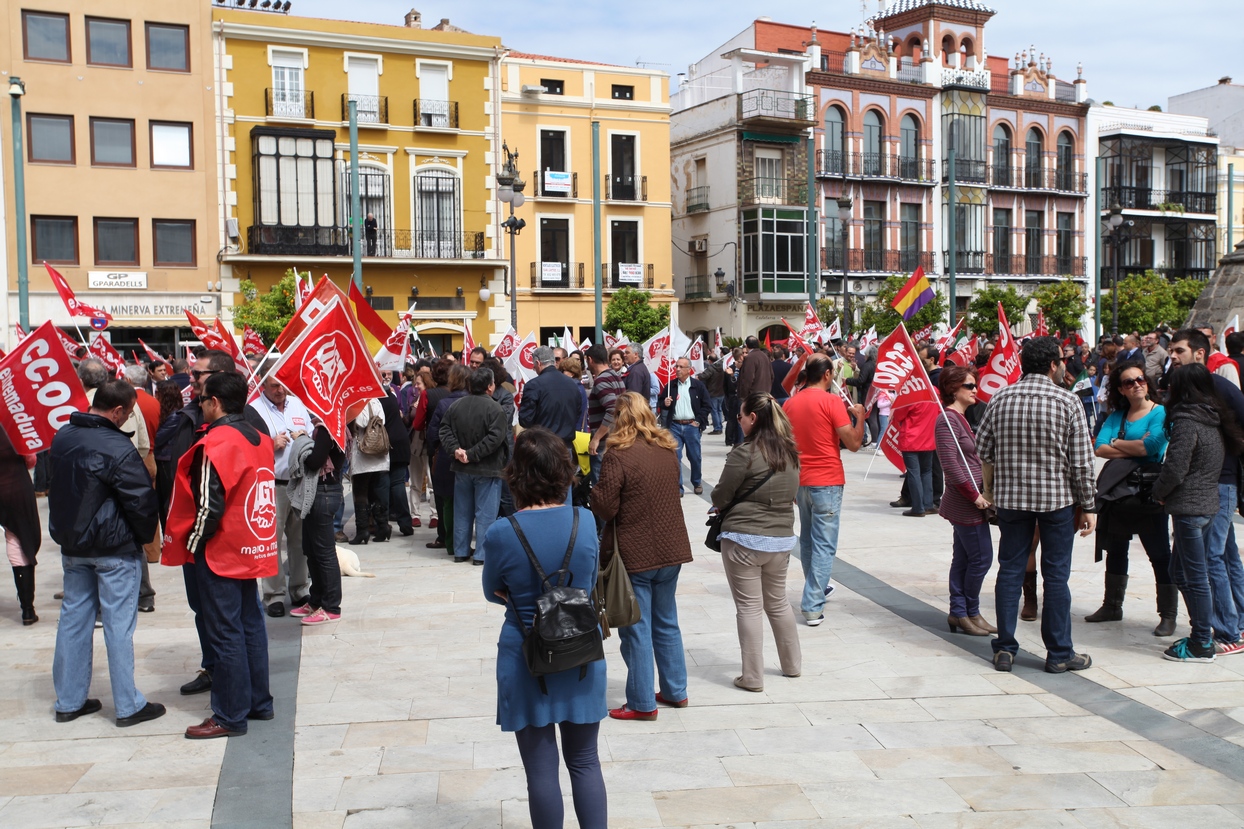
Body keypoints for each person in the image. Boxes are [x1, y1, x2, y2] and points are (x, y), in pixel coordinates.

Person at [482, 428, 607, 829]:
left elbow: (492, 591)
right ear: (562, 472)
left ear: (516, 475)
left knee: (540, 770)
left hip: (527, 654)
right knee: (585, 761)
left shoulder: (503, 531)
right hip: (581, 649)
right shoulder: (584, 520)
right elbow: (585, 581)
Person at [163, 372, 278, 736]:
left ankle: (229, 715)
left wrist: (194, 544)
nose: (198, 404)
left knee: (226, 633)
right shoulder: (259, 438)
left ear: (215, 402)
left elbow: (209, 506)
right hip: (251, 546)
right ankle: (259, 702)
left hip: (222, 551)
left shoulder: (217, 442)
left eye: (202, 398)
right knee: (251, 626)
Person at [975, 337, 1096, 674]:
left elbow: (983, 449)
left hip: (1012, 500)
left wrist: (994, 487)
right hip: (1056, 501)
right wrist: (1089, 504)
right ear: (1053, 364)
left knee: (1010, 570)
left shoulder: (1001, 398)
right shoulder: (1067, 401)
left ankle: (1005, 648)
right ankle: (1059, 652)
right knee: (1056, 576)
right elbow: (1082, 462)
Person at [49, 379, 165, 727]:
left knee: (73, 619)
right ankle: (127, 705)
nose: (129, 418)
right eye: (129, 413)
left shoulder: (63, 436)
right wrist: (147, 540)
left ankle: (69, 700)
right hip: (113, 547)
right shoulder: (117, 446)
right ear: (117, 411)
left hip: (75, 545)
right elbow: (141, 500)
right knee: (118, 626)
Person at [591, 393, 691, 719]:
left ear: (620, 418)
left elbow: (606, 507)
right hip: (671, 548)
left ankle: (642, 703)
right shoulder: (667, 449)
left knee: (637, 628)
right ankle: (676, 690)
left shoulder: (617, 455)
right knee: (667, 623)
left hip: (636, 554)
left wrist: (592, 491)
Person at [1153, 363, 1244, 662]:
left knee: (1196, 575)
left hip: (1191, 508)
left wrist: (1159, 493)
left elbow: (1176, 468)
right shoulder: (1213, 417)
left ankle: (1202, 640)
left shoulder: (1188, 420)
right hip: (1205, 505)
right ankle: (1203, 632)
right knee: (1179, 571)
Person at [711, 392, 802, 691]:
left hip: (744, 539)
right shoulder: (790, 452)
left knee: (749, 608)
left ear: (752, 418)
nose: (738, 421)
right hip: (780, 540)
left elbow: (721, 495)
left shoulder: (745, 453)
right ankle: (792, 665)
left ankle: (752, 677)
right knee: (778, 603)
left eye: (740, 416)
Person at [1089, 360, 1174, 634]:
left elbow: (1151, 447)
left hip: (1148, 493)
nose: (1136, 384)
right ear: (1121, 390)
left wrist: (1116, 443)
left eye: (1140, 379)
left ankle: (1168, 614)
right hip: (1118, 495)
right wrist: (1130, 447)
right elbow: (1099, 448)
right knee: (1116, 550)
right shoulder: (1117, 416)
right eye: (1129, 382)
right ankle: (1112, 606)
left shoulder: (1160, 413)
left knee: (1160, 554)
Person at [783, 354, 866, 625]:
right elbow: (853, 443)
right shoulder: (831, 401)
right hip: (827, 479)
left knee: (807, 540)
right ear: (828, 375)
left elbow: (784, 446)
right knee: (823, 545)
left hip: (801, 480)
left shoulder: (791, 403)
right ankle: (812, 604)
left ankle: (815, 590)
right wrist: (860, 417)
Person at [934, 365, 995, 636]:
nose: (975, 390)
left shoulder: (960, 418)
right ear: (952, 389)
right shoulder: (946, 419)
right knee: (981, 559)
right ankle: (969, 610)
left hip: (972, 497)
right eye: (969, 386)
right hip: (966, 501)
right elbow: (951, 465)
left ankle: (960, 612)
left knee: (963, 559)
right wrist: (975, 496)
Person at [253, 371, 311, 616]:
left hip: (299, 482)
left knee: (299, 541)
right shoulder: (254, 410)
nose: (280, 390)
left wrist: (305, 438)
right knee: (272, 542)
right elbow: (247, 446)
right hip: (271, 485)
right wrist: (269, 444)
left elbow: (310, 432)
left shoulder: (297, 404)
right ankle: (274, 594)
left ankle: (300, 588)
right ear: (264, 385)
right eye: (275, 386)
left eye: (283, 385)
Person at [439, 367, 510, 565]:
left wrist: (458, 451)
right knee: (485, 514)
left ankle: (461, 551)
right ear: (489, 386)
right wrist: (469, 454)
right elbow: (496, 438)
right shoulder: (495, 408)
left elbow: (444, 430)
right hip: (487, 468)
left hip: (462, 467)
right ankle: (481, 554)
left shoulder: (457, 406)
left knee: (462, 511)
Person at [288, 417, 346, 625]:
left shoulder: (326, 428)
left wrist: (301, 440)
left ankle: (331, 606)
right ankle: (316, 600)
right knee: (311, 549)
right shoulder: (333, 426)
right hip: (322, 492)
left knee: (324, 552)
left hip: (323, 493)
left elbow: (315, 461)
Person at [426, 364, 470, 556]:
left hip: (446, 457)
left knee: (447, 503)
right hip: (471, 457)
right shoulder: (475, 402)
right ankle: (464, 544)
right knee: (467, 503)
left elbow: (433, 433)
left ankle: (452, 544)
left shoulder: (444, 404)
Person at [1, 428, 40, 625]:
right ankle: (27, 609)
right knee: (20, 538)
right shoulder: (11, 427)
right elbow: (30, 460)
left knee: (12, 537)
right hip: (17, 488)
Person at [657, 357, 711, 496]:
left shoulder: (697, 386)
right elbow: (661, 402)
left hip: (691, 426)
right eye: (676, 366)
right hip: (675, 426)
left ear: (689, 370)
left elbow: (707, 405)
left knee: (695, 457)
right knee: (675, 457)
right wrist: (665, 403)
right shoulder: (671, 385)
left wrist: (698, 421)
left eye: (681, 367)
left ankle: (697, 482)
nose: (677, 369)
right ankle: (678, 487)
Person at [520, 345, 585, 457]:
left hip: (543, 446)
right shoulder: (572, 384)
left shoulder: (534, 385)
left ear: (538, 363)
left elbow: (525, 420)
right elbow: (578, 413)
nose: (534, 368)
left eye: (534, 365)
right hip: (565, 446)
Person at [892, 379, 939, 518]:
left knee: (914, 473)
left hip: (911, 438)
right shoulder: (934, 391)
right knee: (926, 472)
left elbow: (899, 415)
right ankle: (928, 504)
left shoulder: (910, 393)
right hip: (928, 437)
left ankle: (918, 507)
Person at [349, 397, 391, 544]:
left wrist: (350, 413)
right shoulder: (376, 401)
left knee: (360, 492)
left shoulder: (359, 402)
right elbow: (382, 420)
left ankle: (362, 530)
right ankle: (383, 526)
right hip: (379, 454)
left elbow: (362, 422)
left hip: (363, 453)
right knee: (375, 493)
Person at [585, 344, 626, 485]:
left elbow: (612, 408)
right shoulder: (615, 376)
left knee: (602, 490)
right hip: (616, 440)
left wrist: (596, 438)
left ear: (590, 359)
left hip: (604, 445)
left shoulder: (602, 380)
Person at [379, 383, 415, 537]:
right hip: (400, 441)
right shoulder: (391, 397)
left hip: (384, 443)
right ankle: (405, 522)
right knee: (398, 483)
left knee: (383, 485)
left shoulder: (375, 401)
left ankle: (383, 524)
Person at [735, 336, 773, 402]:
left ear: (746, 346)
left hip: (754, 396)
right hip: (765, 395)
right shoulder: (764, 356)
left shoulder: (750, 357)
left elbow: (748, 378)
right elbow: (772, 376)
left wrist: (744, 396)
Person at [697, 354, 726, 434]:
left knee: (714, 410)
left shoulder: (711, 368)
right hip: (721, 391)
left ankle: (717, 428)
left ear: (710, 360)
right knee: (719, 410)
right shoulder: (722, 366)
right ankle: (720, 426)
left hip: (713, 392)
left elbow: (704, 376)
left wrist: (698, 376)